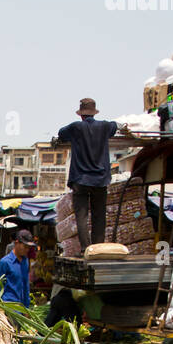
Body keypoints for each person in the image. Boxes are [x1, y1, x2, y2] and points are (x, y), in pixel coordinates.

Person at [57, 99, 119, 251]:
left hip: (81, 180)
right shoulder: (105, 126)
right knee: (99, 215)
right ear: (94, 112)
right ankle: (97, 247)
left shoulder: (76, 127)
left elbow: (61, 133)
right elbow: (115, 126)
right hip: (100, 180)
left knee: (82, 216)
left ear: (81, 115)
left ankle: (86, 248)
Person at [0, 231, 36, 307]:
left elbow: (26, 285)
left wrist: (26, 307)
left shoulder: (25, 261)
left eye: (29, 247)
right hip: (8, 306)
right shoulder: (5, 262)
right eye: (25, 246)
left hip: (21, 307)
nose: (27, 250)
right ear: (17, 243)